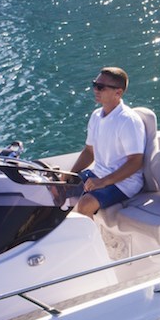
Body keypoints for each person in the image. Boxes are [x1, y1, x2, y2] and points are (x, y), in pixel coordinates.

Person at [62, 67, 147, 217]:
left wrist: (103, 182)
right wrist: (71, 173)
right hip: (99, 174)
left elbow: (135, 162)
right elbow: (89, 152)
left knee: (86, 204)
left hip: (125, 183)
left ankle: (89, 233)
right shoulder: (96, 116)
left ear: (118, 92)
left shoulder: (128, 121)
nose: (96, 90)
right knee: (57, 189)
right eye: (95, 85)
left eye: (101, 87)